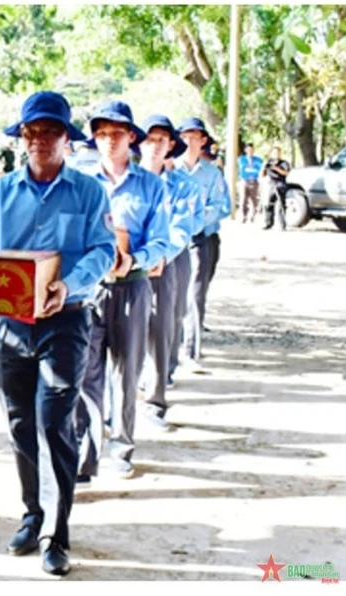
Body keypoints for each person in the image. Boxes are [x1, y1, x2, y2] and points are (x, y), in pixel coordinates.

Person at [0, 91, 115, 576]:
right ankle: (32, 514)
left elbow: (100, 252)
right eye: (31, 134)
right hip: (12, 325)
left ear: (66, 140)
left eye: (49, 133)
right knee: (19, 423)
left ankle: (58, 531)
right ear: (21, 139)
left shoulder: (89, 192)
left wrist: (66, 283)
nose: (38, 142)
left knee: (55, 423)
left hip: (67, 320)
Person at [75, 100, 169, 482]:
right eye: (101, 134)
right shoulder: (81, 183)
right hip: (90, 289)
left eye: (116, 133)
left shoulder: (150, 186)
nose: (109, 141)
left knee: (126, 372)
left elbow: (161, 240)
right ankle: (86, 453)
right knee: (86, 372)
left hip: (132, 287)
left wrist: (136, 259)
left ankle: (122, 447)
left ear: (132, 137)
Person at [137, 115, 197, 430]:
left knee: (161, 331)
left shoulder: (181, 185)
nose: (154, 146)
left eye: (161, 140)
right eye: (148, 139)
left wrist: (159, 256)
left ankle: (155, 400)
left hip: (164, 266)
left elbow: (181, 229)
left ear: (171, 145)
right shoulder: (128, 179)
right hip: (127, 270)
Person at [175, 117, 231, 368]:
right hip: (171, 240)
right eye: (184, 136)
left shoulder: (212, 173)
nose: (188, 141)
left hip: (201, 237)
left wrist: (193, 222)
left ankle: (190, 351)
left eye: (194, 137)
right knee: (169, 294)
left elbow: (221, 206)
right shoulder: (170, 170)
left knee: (195, 293)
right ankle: (169, 348)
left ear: (203, 140)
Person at [261, 146, 290, 231]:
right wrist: (263, 167)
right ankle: (268, 223)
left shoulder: (284, 163)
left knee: (280, 205)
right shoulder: (268, 163)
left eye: (278, 153)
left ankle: (282, 224)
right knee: (268, 205)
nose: (276, 154)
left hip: (280, 185)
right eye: (274, 153)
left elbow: (286, 173)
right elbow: (263, 175)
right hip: (270, 185)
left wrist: (276, 168)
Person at [238, 142, 264, 224]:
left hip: (254, 180)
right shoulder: (241, 159)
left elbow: (259, 169)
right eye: (248, 149)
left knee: (254, 199)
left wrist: (253, 171)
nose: (250, 151)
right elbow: (243, 169)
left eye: (252, 149)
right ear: (245, 150)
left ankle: (253, 216)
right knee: (243, 199)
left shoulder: (258, 160)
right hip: (244, 180)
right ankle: (243, 215)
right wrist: (251, 170)